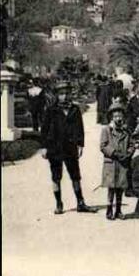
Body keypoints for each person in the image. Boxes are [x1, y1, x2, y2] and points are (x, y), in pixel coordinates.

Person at [40, 81, 95, 215]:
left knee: (75, 175)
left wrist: (80, 144)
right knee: (56, 176)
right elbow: (44, 129)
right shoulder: (51, 110)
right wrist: (44, 146)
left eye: (66, 93)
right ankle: (59, 204)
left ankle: (80, 202)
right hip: (55, 147)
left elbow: (79, 128)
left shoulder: (75, 109)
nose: (64, 96)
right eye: (61, 94)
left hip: (70, 147)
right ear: (57, 95)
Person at [100, 98, 134, 220]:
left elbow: (131, 144)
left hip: (122, 163)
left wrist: (129, 153)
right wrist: (114, 153)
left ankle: (118, 210)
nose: (118, 119)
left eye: (120, 116)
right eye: (115, 116)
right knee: (111, 187)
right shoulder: (106, 130)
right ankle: (109, 209)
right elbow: (103, 146)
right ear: (111, 118)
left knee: (120, 186)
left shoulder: (126, 131)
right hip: (111, 162)